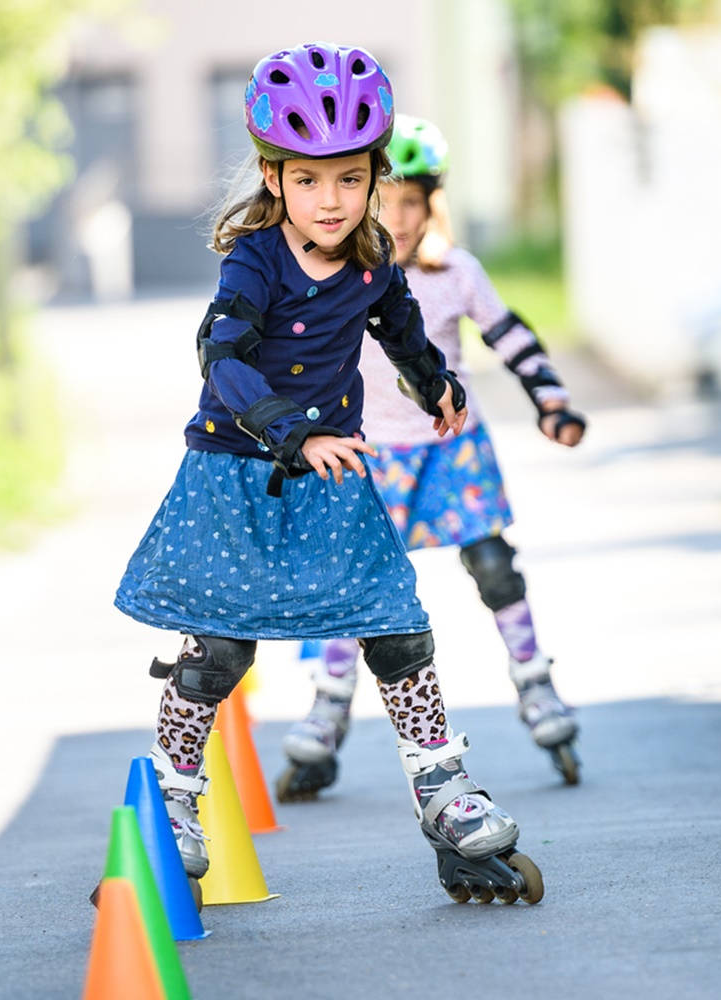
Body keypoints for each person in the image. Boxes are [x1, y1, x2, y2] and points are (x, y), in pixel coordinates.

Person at [114, 45, 542, 904]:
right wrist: (297, 432)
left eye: (350, 179)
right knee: (219, 647)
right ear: (275, 179)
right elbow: (221, 357)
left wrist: (438, 386)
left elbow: (402, 329)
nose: (332, 201)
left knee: (395, 629)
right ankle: (172, 800)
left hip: (332, 478)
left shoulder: (374, 260)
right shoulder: (255, 262)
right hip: (236, 474)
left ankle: (444, 792)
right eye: (309, 181)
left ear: (375, 177)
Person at [275, 115, 587, 805]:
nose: (398, 218)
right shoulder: (337, 273)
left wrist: (552, 401)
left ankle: (536, 683)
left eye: (410, 203)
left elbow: (510, 336)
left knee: (493, 563)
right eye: (383, 202)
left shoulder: (455, 272)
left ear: (431, 205)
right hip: (368, 452)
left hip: (450, 450)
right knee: (349, 585)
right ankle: (328, 710)